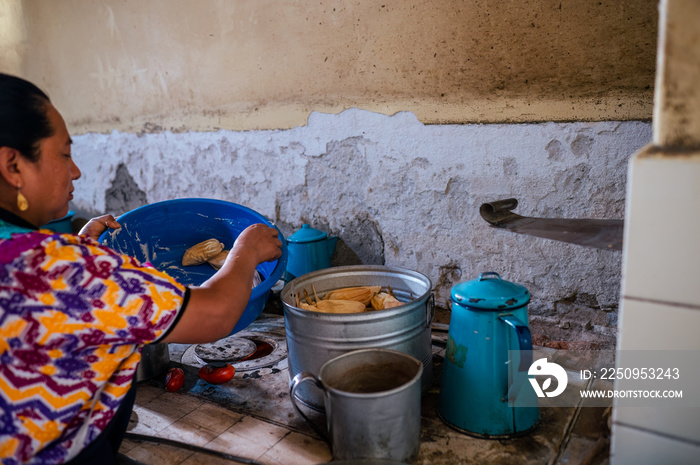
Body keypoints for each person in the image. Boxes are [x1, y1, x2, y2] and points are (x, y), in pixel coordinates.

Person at [0, 73, 283, 464]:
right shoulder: (56, 264)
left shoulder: (41, 257)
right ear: (12, 165)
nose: (76, 171)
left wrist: (82, 251)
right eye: (64, 154)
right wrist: (245, 251)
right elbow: (215, 312)